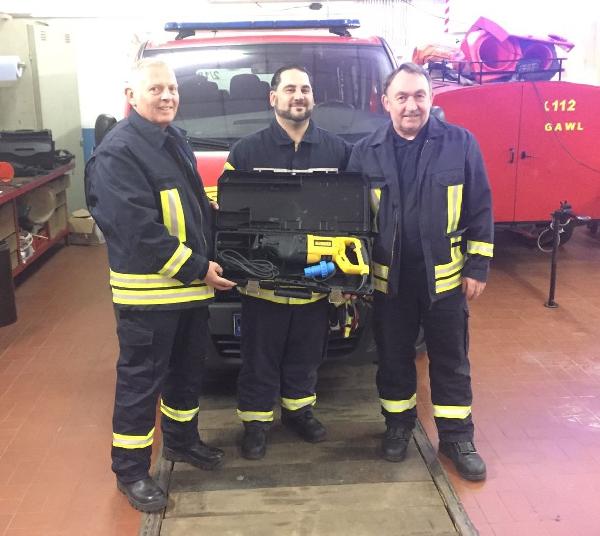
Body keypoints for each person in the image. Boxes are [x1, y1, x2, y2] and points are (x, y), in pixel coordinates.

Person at [85, 58, 236, 512]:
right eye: (156, 89)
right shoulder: (118, 154)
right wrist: (199, 268)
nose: (167, 96)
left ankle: (181, 441)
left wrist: (222, 229)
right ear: (131, 96)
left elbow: (189, 208)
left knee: (186, 375)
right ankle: (131, 472)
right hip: (149, 298)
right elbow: (139, 233)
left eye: (172, 88)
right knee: (141, 384)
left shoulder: (173, 139)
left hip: (188, 292)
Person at [347, 63, 493, 481]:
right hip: (388, 281)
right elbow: (353, 221)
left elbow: (480, 206)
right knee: (393, 358)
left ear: (431, 99)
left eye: (419, 96)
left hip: (444, 280)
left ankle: (457, 439)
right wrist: (354, 277)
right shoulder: (365, 151)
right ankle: (398, 427)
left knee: (451, 360)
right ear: (386, 102)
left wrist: (478, 265)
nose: (411, 105)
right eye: (402, 97)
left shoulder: (460, 143)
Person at [223, 65, 351, 460]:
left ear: (313, 98)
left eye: (305, 89)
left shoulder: (338, 151)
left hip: (317, 279)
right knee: (259, 358)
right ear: (273, 98)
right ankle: (256, 424)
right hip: (262, 282)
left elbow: (354, 214)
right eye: (290, 89)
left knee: (307, 355)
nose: (299, 96)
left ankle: (299, 413)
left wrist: (346, 277)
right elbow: (227, 216)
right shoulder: (245, 152)